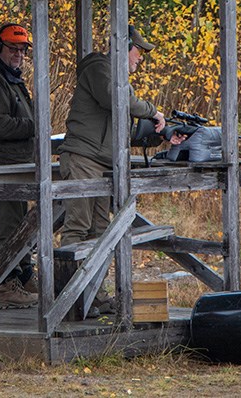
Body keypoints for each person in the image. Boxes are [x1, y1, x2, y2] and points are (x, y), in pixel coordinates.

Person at [58, 24, 183, 314]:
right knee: (77, 228)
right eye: (139, 51)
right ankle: (70, 303)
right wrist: (153, 110)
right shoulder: (99, 68)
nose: (141, 59)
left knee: (100, 232)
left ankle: (93, 297)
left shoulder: (117, 78)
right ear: (123, 48)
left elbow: (124, 122)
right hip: (83, 159)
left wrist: (165, 133)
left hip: (101, 165)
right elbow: (117, 101)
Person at [0, 23, 39, 309]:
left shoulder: (10, 77)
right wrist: (35, 126)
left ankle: (23, 275)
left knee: (21, 224)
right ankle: (4, 286)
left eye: (22, 49)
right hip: (1, 165)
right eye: (13, 48)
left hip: (17, 163)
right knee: (8, 226)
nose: (18, 54)